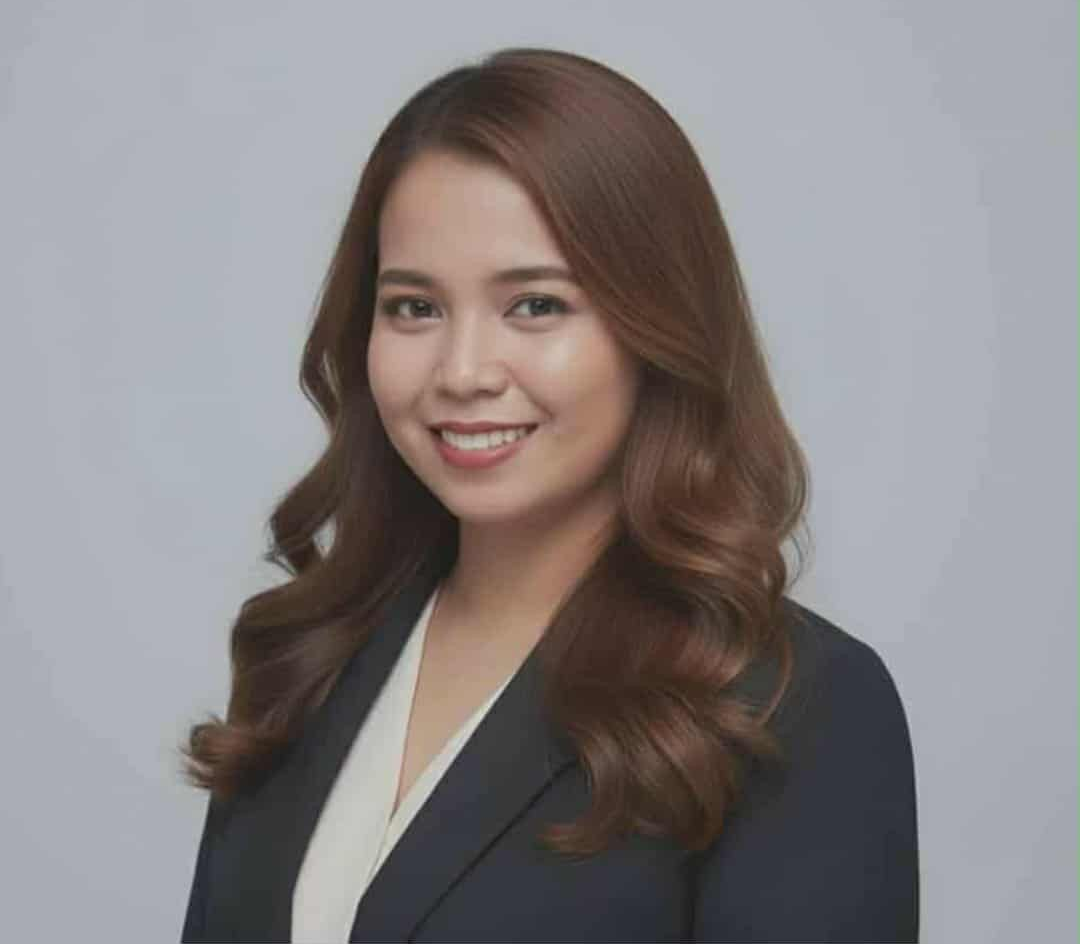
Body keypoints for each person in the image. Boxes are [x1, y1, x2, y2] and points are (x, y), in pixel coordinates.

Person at [178, 46, 919, 943]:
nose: (462, 372)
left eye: (535, 306)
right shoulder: (306, 658)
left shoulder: (793, 706)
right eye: (414, 306)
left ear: (657, 329)